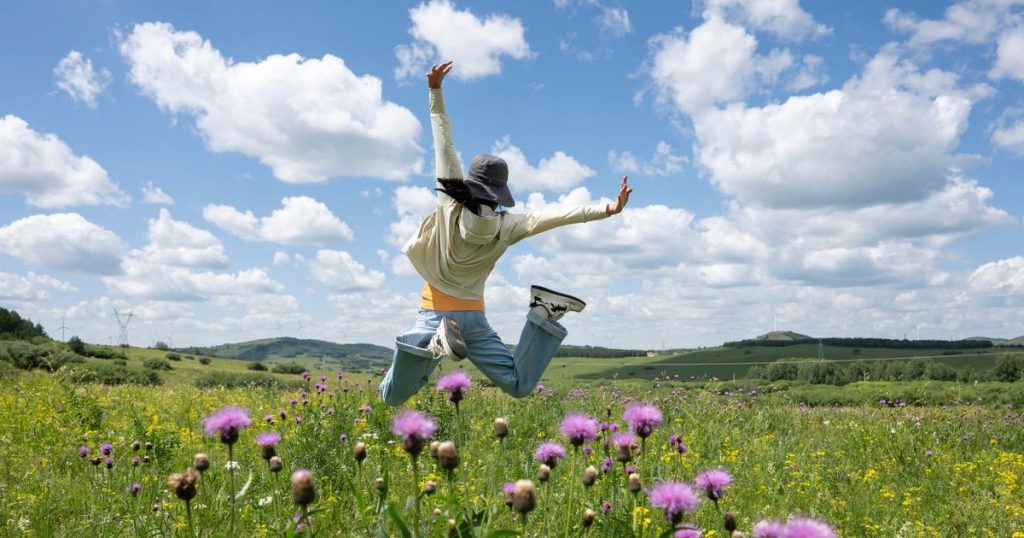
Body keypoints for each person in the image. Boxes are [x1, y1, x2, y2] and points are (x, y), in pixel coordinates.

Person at [379, 60, 632, 405]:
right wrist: (608, 209)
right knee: (518, 384)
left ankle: (435, 344)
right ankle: (542, 314)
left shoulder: (450, 202)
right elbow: (556, 216)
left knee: (390, 396)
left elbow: (444, 143)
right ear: (499, 194)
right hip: (474, 320)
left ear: (470, 183)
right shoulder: (507, 225)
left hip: (437, 313)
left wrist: (435, 90)